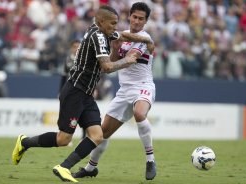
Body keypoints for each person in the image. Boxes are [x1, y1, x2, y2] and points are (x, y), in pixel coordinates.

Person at [12, 5, 154, 183]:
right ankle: (25, 142)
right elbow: (107, 67)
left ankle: (64, 167)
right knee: (63, 139)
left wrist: (146, 41)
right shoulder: (98, 37)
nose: (115, 28)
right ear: (102, 22)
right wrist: (127, 60)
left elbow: (123, 35)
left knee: (97, 136)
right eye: (113, 24)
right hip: (75, 91)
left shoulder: (101, 29)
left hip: (86, 94)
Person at [73, 2, 156, 180]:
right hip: (124, 91)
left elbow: (130, 58)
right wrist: (115, 48)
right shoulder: (123, 36)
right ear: (130, 17)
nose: (137, 21)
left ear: (146, 21)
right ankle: (90, 168)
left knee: (139, 114)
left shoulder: (144, 38)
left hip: (143, 86)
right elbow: (112, 61)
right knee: (102, 134)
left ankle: (150, 160)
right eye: (134, 17)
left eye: (141, 19)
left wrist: (117, 55)